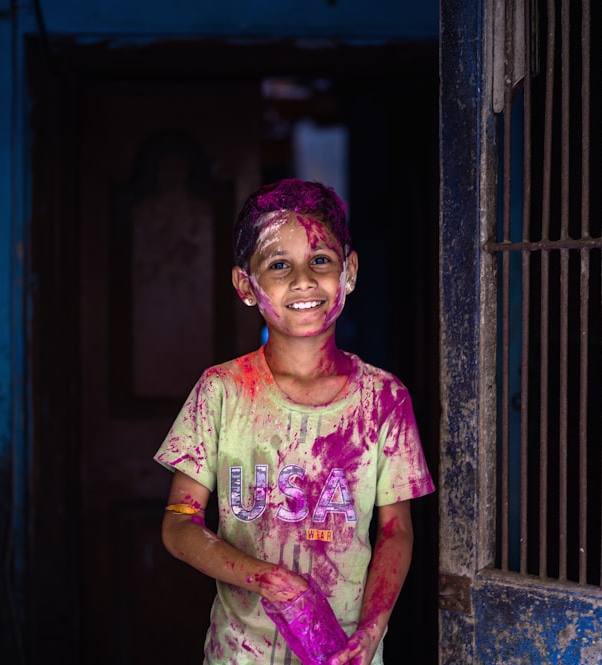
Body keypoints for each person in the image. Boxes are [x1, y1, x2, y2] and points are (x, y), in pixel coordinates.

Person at [155, 178, 435, 665]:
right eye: (279, 265)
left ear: (348, 271)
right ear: (246, 285)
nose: (304, 280)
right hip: (239, 654)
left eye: (321, 260)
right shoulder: (221, 391)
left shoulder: (384, 399)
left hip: (347, 653)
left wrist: (371, 633)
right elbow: (179, 524)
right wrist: (260, 575)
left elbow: (397, 532)